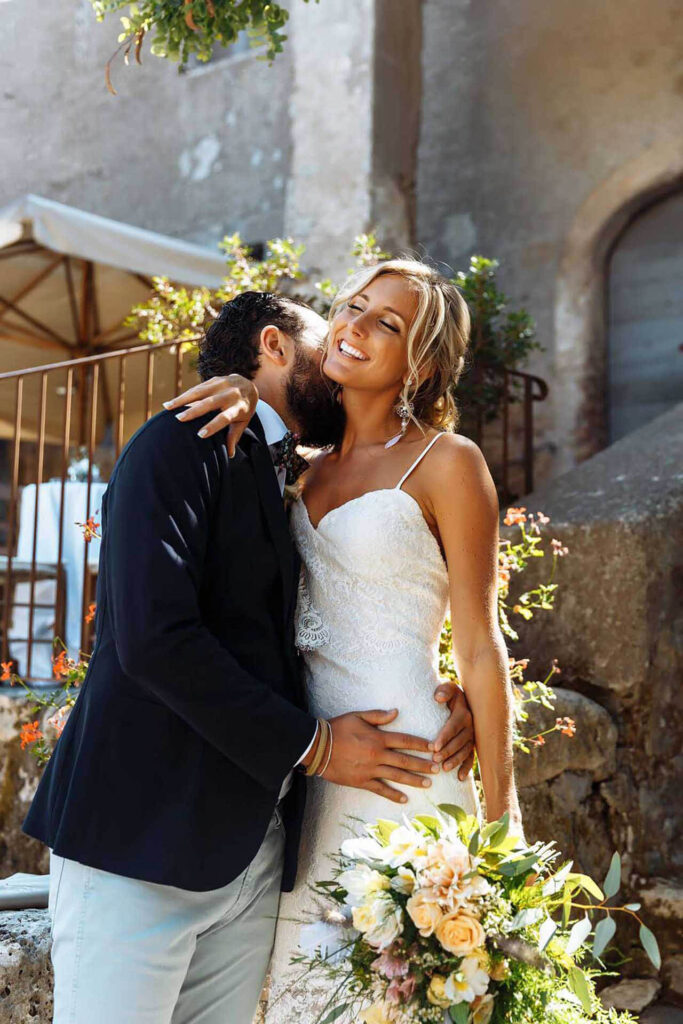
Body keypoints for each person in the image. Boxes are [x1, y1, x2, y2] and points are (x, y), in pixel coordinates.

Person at [23, 290, 475, 1024]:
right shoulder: (181, 441)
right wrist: (318, 745)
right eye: (324, 343)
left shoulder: (298, 473)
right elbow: (153, 640)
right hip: (141, 837)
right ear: (272, 346)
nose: (338, 359)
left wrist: (439, 685)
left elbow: (334, 608)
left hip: (256, 855)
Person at [166, 260, 523, 1021]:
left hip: (411, 761)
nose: (354, 326)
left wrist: (502, 825)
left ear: (420, 363)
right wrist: (240, 386)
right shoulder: (294, 468)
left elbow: (480, 644)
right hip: (313, 766)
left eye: (385, 322)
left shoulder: (448, 463)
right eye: (353, 307)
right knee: (307, 996)